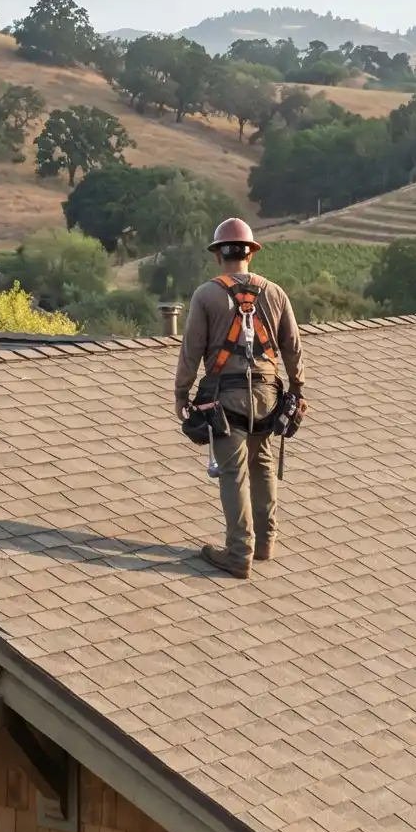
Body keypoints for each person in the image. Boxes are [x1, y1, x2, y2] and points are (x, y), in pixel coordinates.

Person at [172, 217, 305, 578]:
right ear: (250, 254)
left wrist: (181, 392)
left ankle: (239, 553)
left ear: (219, 255)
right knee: (262, 466)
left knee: (233, 473)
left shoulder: (206, 295)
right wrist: (298, 390)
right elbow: (292, 348)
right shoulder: (275, 293)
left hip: (225, 400)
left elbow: (192, 351)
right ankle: (264, 543)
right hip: (268, 395)